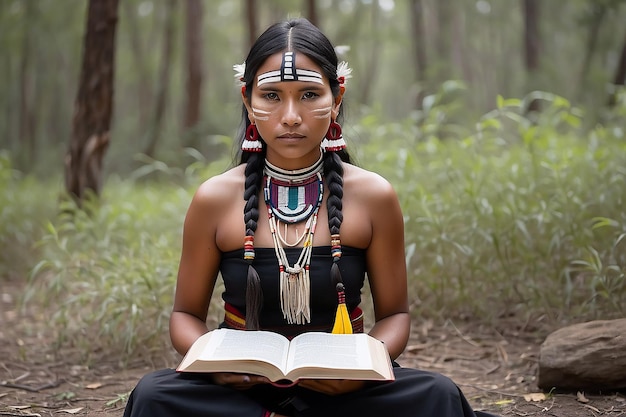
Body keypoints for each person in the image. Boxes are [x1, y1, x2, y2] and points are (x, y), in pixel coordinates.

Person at [123, 18, 498, 417]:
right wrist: (216, 363)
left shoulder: (374, 196)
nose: (290, 116)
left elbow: (395, 316)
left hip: (345, 389)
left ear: (337, 96)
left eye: (308, 94)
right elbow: (184, 316)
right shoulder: (215, 198)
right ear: (247, 99)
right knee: (153, 396)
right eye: (271, 96)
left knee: (437, 395)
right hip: (241, 391)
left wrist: (359, 369)